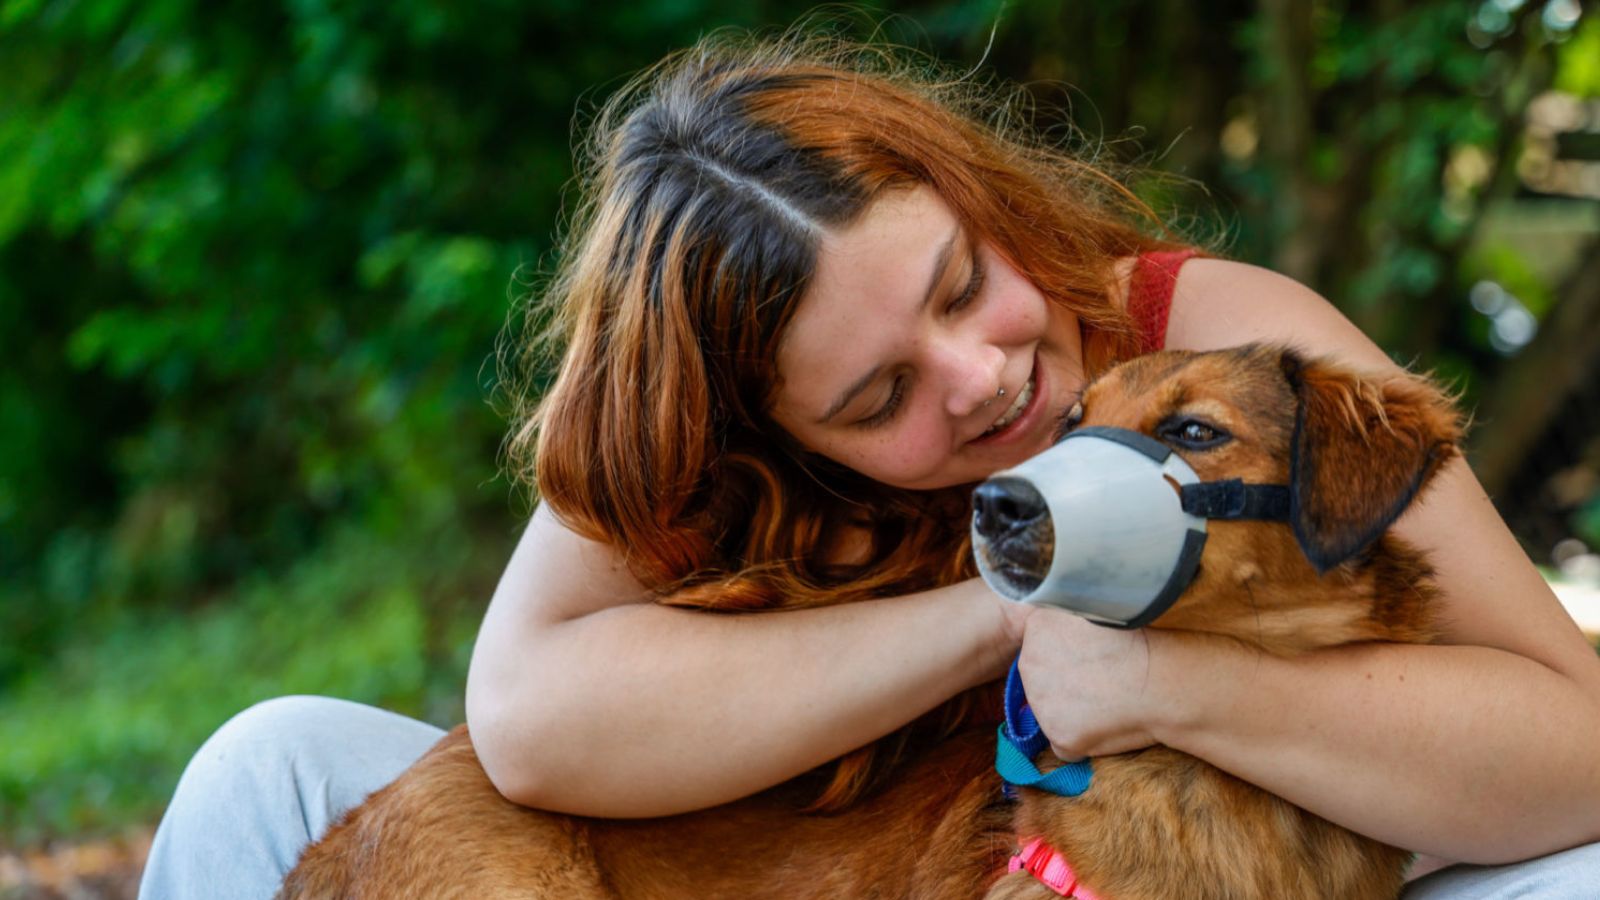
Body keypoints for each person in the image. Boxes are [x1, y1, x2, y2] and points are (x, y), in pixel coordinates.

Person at [138, 31, 1600, 899]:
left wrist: (1167, 680)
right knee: (264, 769)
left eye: (965, 282)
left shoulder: (1215, 347)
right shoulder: (694, 442)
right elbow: (526, 717)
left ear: (975, 193)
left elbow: (1578, 744)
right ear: (766, 433)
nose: (986, 377)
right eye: (879, 393)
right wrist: (1006, 605)